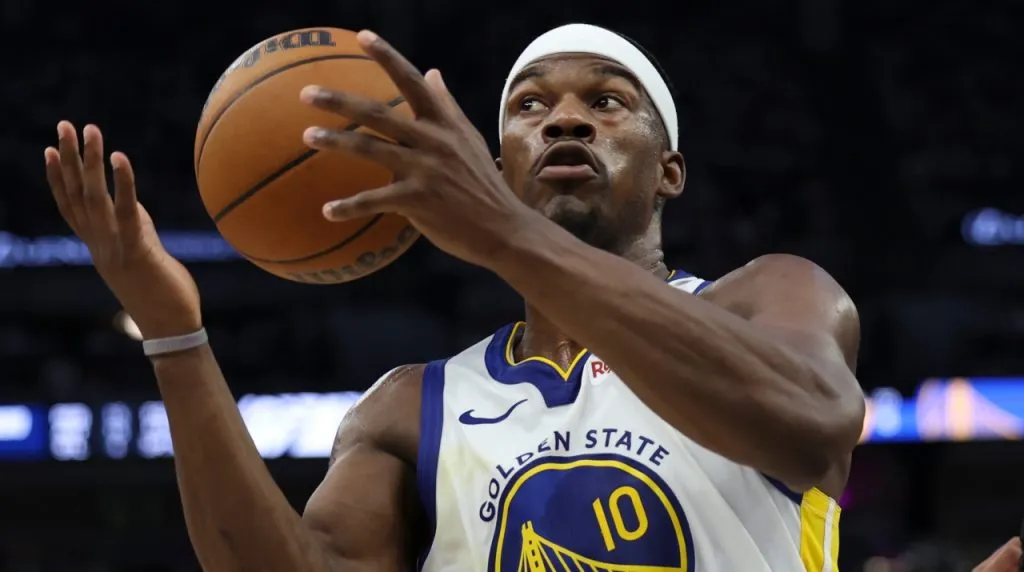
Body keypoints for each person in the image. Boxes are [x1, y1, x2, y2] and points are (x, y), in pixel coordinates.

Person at [43, 23, 864, 571]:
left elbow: (812, 427)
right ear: (498, 164)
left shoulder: (768, 296)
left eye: (606, 102)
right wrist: (174, 334)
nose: (565, 121)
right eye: (530, 105)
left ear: (670, 171)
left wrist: (506, 232)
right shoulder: (410, 409)